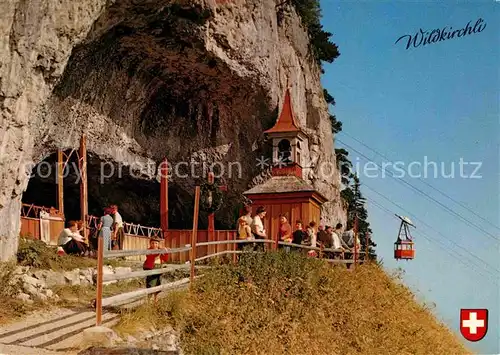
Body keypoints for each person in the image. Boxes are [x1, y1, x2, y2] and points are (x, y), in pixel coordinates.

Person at [143, 238, 169, 303]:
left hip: (159, 267)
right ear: (150, 243)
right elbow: (151, 256)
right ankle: (149, 301)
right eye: (152, 243)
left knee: (158, 284)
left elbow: (165, 259)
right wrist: (160, 251)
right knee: (150, 284)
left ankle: (155, 300)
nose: (154, 245)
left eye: (156, 243)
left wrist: (166, 253)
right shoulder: (148, 250)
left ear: (158, 244)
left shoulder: (160, 250)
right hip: (151, 268)